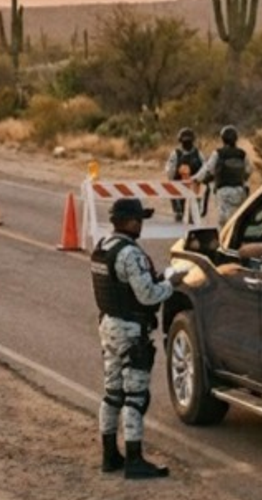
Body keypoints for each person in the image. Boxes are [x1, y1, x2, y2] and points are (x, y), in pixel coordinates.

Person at [92, 197, 187, 479]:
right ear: (128, 221)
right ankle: (134, 460)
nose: (141, 224)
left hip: (109, 325)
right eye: (139, 219)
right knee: (135, 396)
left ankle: (110, 455)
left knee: (112, 393)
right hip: (131, 331)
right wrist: (170, 283)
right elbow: (147, 295)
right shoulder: (129, 253)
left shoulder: (102, 248)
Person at [194, 125, 251, 226]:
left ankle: (224, 239)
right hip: (239, 191)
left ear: (222, 139)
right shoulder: (242, 154)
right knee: (238, 218)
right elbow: (249, 170)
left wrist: (196, 179)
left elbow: (208, 169)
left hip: (223, 191)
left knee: (223, 221)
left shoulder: (218, 153)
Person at [164, 127, 203, 222]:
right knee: (180, 211)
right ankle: (179, 213)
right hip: (180, 184)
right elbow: (170, 170)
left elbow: (170, 170)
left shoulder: (197, 153)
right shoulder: (178, 153)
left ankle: (183, 216)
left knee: (193, 213)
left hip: (193, 185)